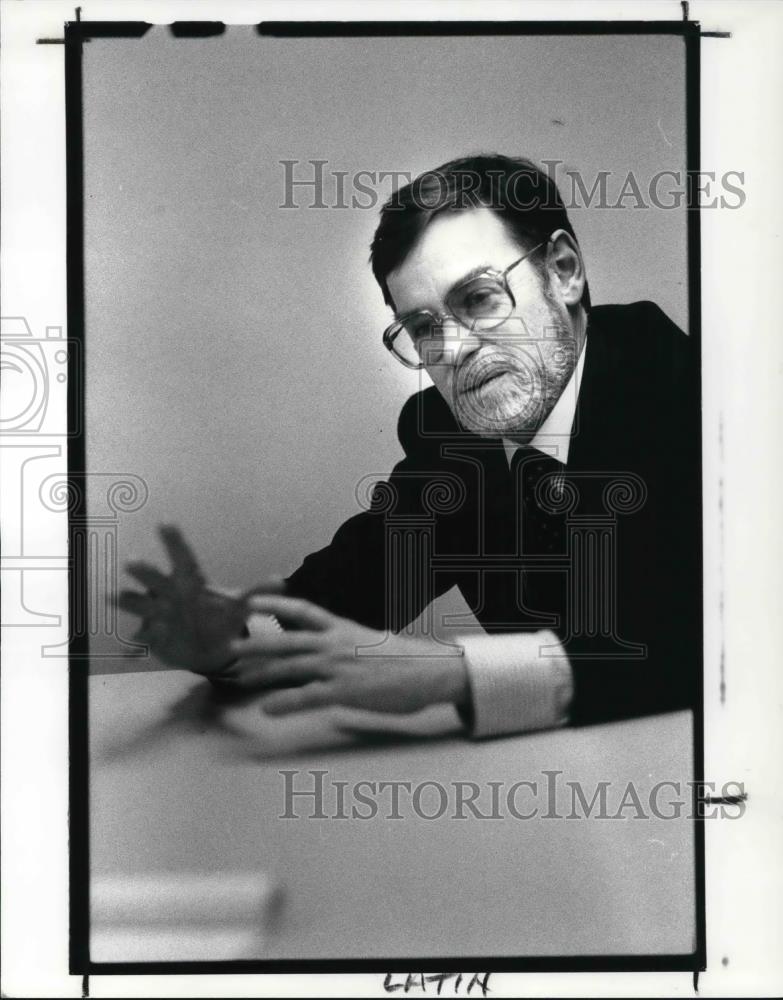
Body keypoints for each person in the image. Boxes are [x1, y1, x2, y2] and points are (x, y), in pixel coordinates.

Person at [119, 154, 701, 738]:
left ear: (564, 271)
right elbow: (352, 589)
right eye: (424, 326)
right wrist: (228, 642)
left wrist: (455, 676)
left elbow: (724, 641)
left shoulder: (701, 394)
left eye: (478, 298)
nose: (454, 349)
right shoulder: (449, 433)